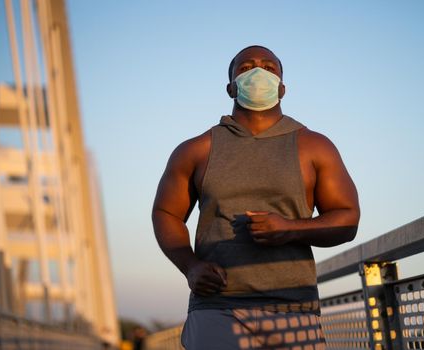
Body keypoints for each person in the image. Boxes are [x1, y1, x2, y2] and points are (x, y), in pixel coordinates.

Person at [152, 45, 360, 349]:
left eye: (269, 67)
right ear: (231, 87)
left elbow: (347, 220)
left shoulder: (314, 146)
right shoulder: (196, 149)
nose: (259, 73)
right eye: (246, 67)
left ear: (283, 88)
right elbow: (165, 213)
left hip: (294, 309)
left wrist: (289, 229)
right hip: (216, 306)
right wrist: (190, 266)